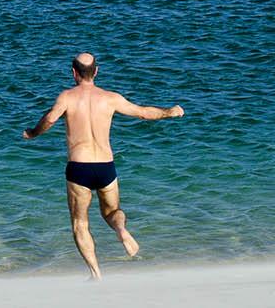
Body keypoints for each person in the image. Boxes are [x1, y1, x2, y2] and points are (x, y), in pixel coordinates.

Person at [21, 53, 184, 280]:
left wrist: (32, 133)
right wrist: (169, 112)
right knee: (111, 212)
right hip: (106, 166)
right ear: (96, 72)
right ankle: (121, 230)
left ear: (73, 72)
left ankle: (96, 274)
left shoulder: (66, 97)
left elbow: (49, 119)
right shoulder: (111, 98)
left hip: (79, 167)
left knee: (80, 223)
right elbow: (142, 112)